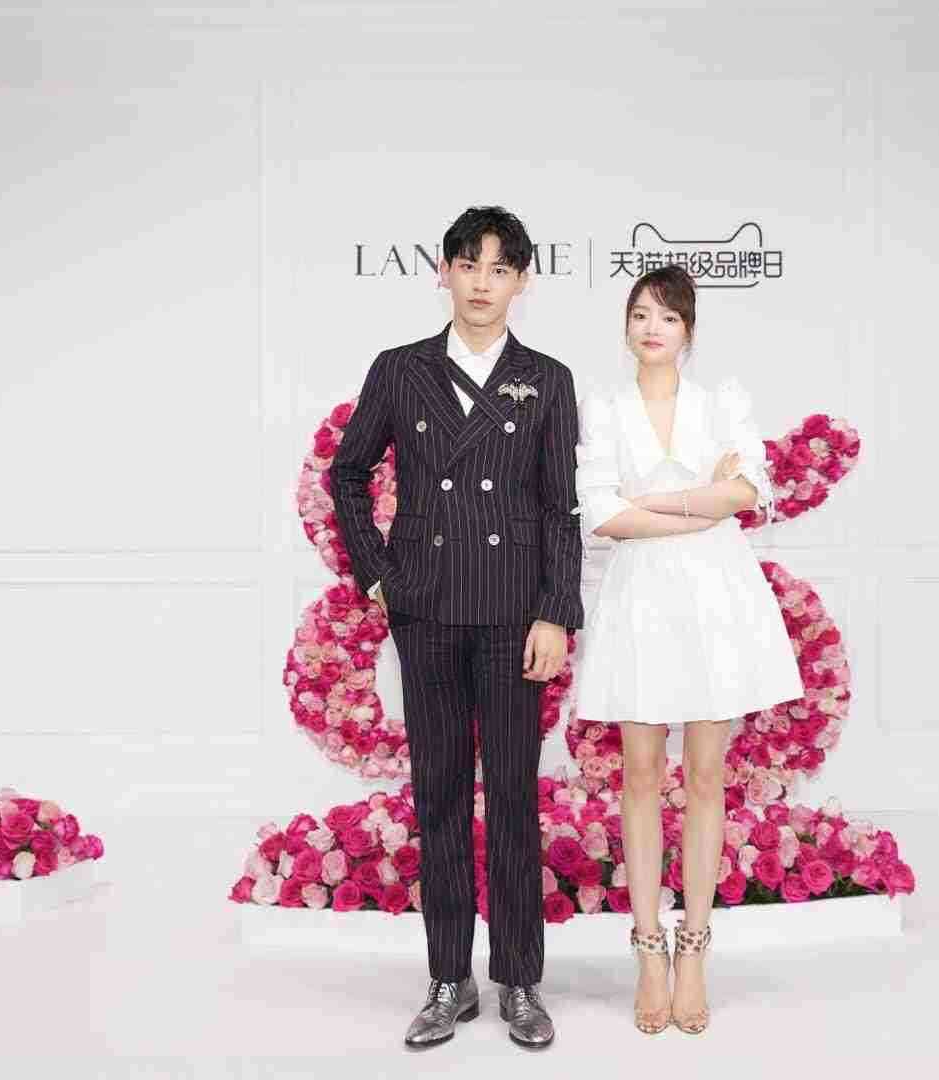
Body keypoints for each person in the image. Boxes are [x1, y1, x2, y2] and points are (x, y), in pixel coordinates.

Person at [329, 205, 584, 1051]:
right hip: (428, 607)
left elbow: (561, 507)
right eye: (468, 265)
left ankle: (519, 980)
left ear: (522, 282)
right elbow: (348, 472)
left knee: (512, 797)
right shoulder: (400, 369)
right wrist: (378, 572)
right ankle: (449, 978)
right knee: (437, 795)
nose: (482, 283)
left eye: (500, 269)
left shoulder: (547, 379)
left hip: (513, 614)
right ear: (443, 272)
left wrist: (556, 610)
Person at [572, 264, 805, 1035]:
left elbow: (748, 492)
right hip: (640, 598)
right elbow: (601, 513)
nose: (652, 327)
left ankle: (694, 950)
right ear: (626, 326)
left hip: (717, 601)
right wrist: (701, 509)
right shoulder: (605, 407)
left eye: (668, 317)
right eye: (641, 314)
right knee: (640, 776)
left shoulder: (721, 402)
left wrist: (659, 501)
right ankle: (648, 951)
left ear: (689, 331)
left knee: (707, 777)